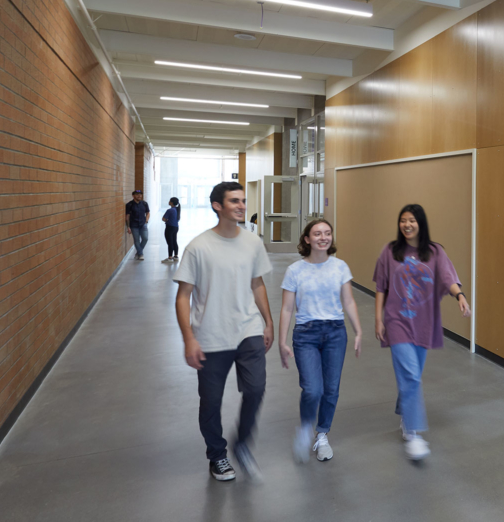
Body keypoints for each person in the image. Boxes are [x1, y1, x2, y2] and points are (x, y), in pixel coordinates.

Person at [172, 182, 274, 482]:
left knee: (255, 389)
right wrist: (189, 338)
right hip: (211, 336)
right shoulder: (198, 247)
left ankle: (242, 444)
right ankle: (217, 455)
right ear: (218, 206)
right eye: (234, 201)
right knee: (211, 402)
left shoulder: (253, 242)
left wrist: (267, 322)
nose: (242, 205)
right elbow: (183, 296)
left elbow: (257, 283)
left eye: (243, 200)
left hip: (248, 330)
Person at [373, 204, 470, 461]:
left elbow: (448, 277)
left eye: (412, 220)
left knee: (412, 374)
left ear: (421, 223)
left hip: (424, 322)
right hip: (396, 321)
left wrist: (459, 295)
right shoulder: (390, 251)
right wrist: (378, 319)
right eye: (403, 220)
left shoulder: (434, 252)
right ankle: (413, 432)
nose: (407, 225)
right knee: (412, 377)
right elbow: (381, 286)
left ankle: (406, 411)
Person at [278, 219, 363, 463]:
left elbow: (348, 301)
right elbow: (286, 308)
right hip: (306, 334)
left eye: (327, 233)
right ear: (307, 239)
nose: (323, 237)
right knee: (313, 389)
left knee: (331, 389)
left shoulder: (340, 267)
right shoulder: (295, 270)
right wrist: (282, 342)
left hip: (336, 333)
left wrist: (358, 331)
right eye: (317, 233)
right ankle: (306, 428)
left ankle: (322, 434)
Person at [125, 190, 150, 260]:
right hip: (134, 225)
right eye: (137, 194)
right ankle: (141, 254)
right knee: (137, 240)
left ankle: (138, 252)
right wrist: (128, 227)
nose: (139, 196)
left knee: (145, 238)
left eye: (140, 194)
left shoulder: (144, 203)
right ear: (133, 196)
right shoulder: (129, 205)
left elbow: (148, 213)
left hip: (143, 224)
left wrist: (146, 220)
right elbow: (127, 216)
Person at [161, 197, 181, 263]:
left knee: (170, 243)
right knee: (174, 241)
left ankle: (170, 258)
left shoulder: (170, 210)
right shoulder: (177, 210)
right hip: (175, 227)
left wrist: (167, 220)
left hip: (169, 228)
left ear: (171, 202)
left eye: (169, 200)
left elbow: (163, 218)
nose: (168, 201)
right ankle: (176, 256)